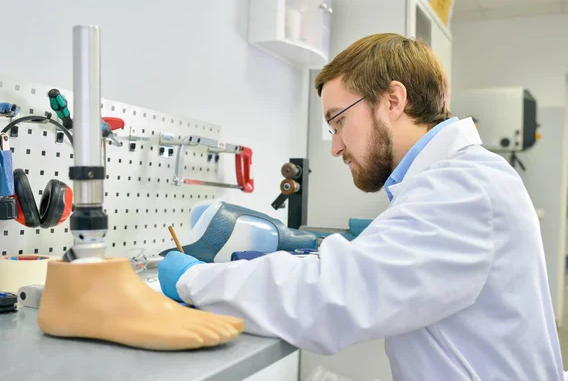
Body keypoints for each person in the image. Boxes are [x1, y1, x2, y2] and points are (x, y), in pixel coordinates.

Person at [158, 33, 565, 380]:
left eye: (338, 121)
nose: (335, 145)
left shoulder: (464, 188)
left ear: (392, 100)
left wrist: (195, 281)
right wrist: (370, 244)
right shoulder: (458, 179)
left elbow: (332, 296)